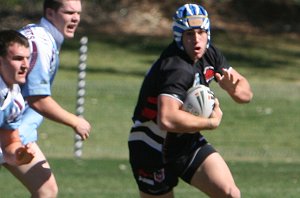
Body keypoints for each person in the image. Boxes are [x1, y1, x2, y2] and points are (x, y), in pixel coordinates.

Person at [128, 3, 253, 198]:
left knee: (230, 194)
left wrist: (234, 89)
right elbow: (167, 119)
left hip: (184, 141)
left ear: (208, 33)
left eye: (201, 32)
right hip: (151, 145)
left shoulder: (210, 53)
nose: (197, 39)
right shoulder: (176, 68)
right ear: (179, 36)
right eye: (189, 34)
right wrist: (210, 123)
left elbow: (246, 95)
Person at [1, 1, 91, 197]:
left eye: (78, 13)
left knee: (46, 190)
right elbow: (37, 98)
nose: (75, 18)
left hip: (16, 134)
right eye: (69, 12)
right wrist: (75, 121)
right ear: (50, 13)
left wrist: (15, 149)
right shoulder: (40, 43)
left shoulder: (44, 39)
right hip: (15, 131)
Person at [0, 29, 35, 166]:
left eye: (28, 58)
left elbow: (10, 142)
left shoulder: (15, 100)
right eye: (18, 58)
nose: (26, 65)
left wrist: (19, 155)